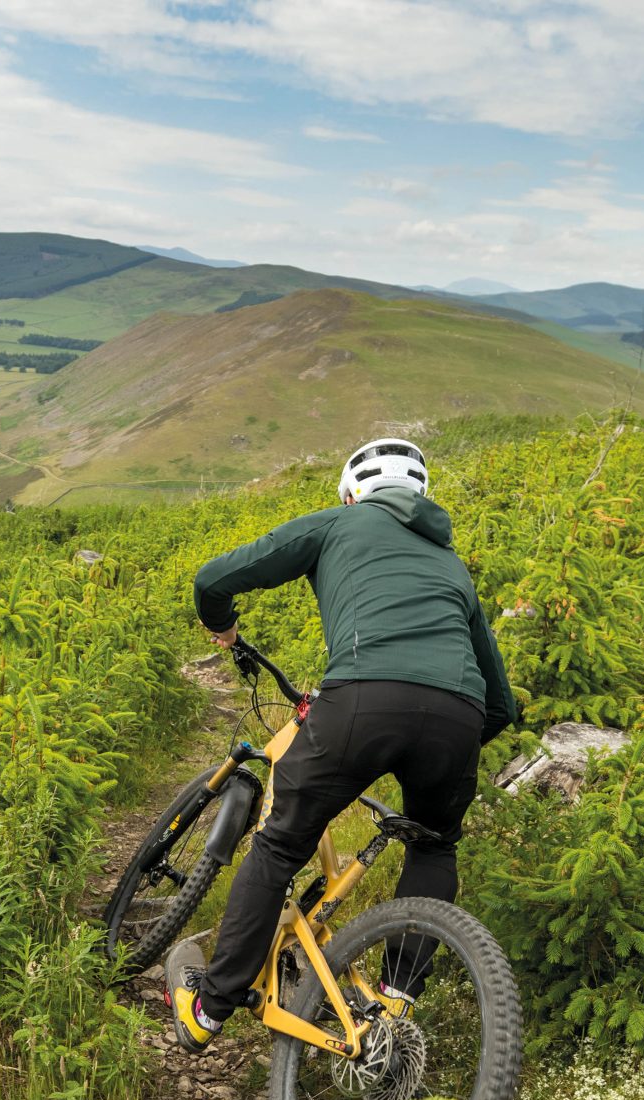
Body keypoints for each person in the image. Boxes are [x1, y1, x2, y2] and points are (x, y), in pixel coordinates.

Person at [172, 436, 515, 1051]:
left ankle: (211, 1007)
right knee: (434, 848)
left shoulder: (337, 523)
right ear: (419, 496)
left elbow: (214, 578)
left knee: (278, 846)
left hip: (360, 696)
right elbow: (501, 704)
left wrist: (220, 624)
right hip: (457, 716)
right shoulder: (452, 565)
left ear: (354, 492)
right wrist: (436, 743)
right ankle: (394, 1005)